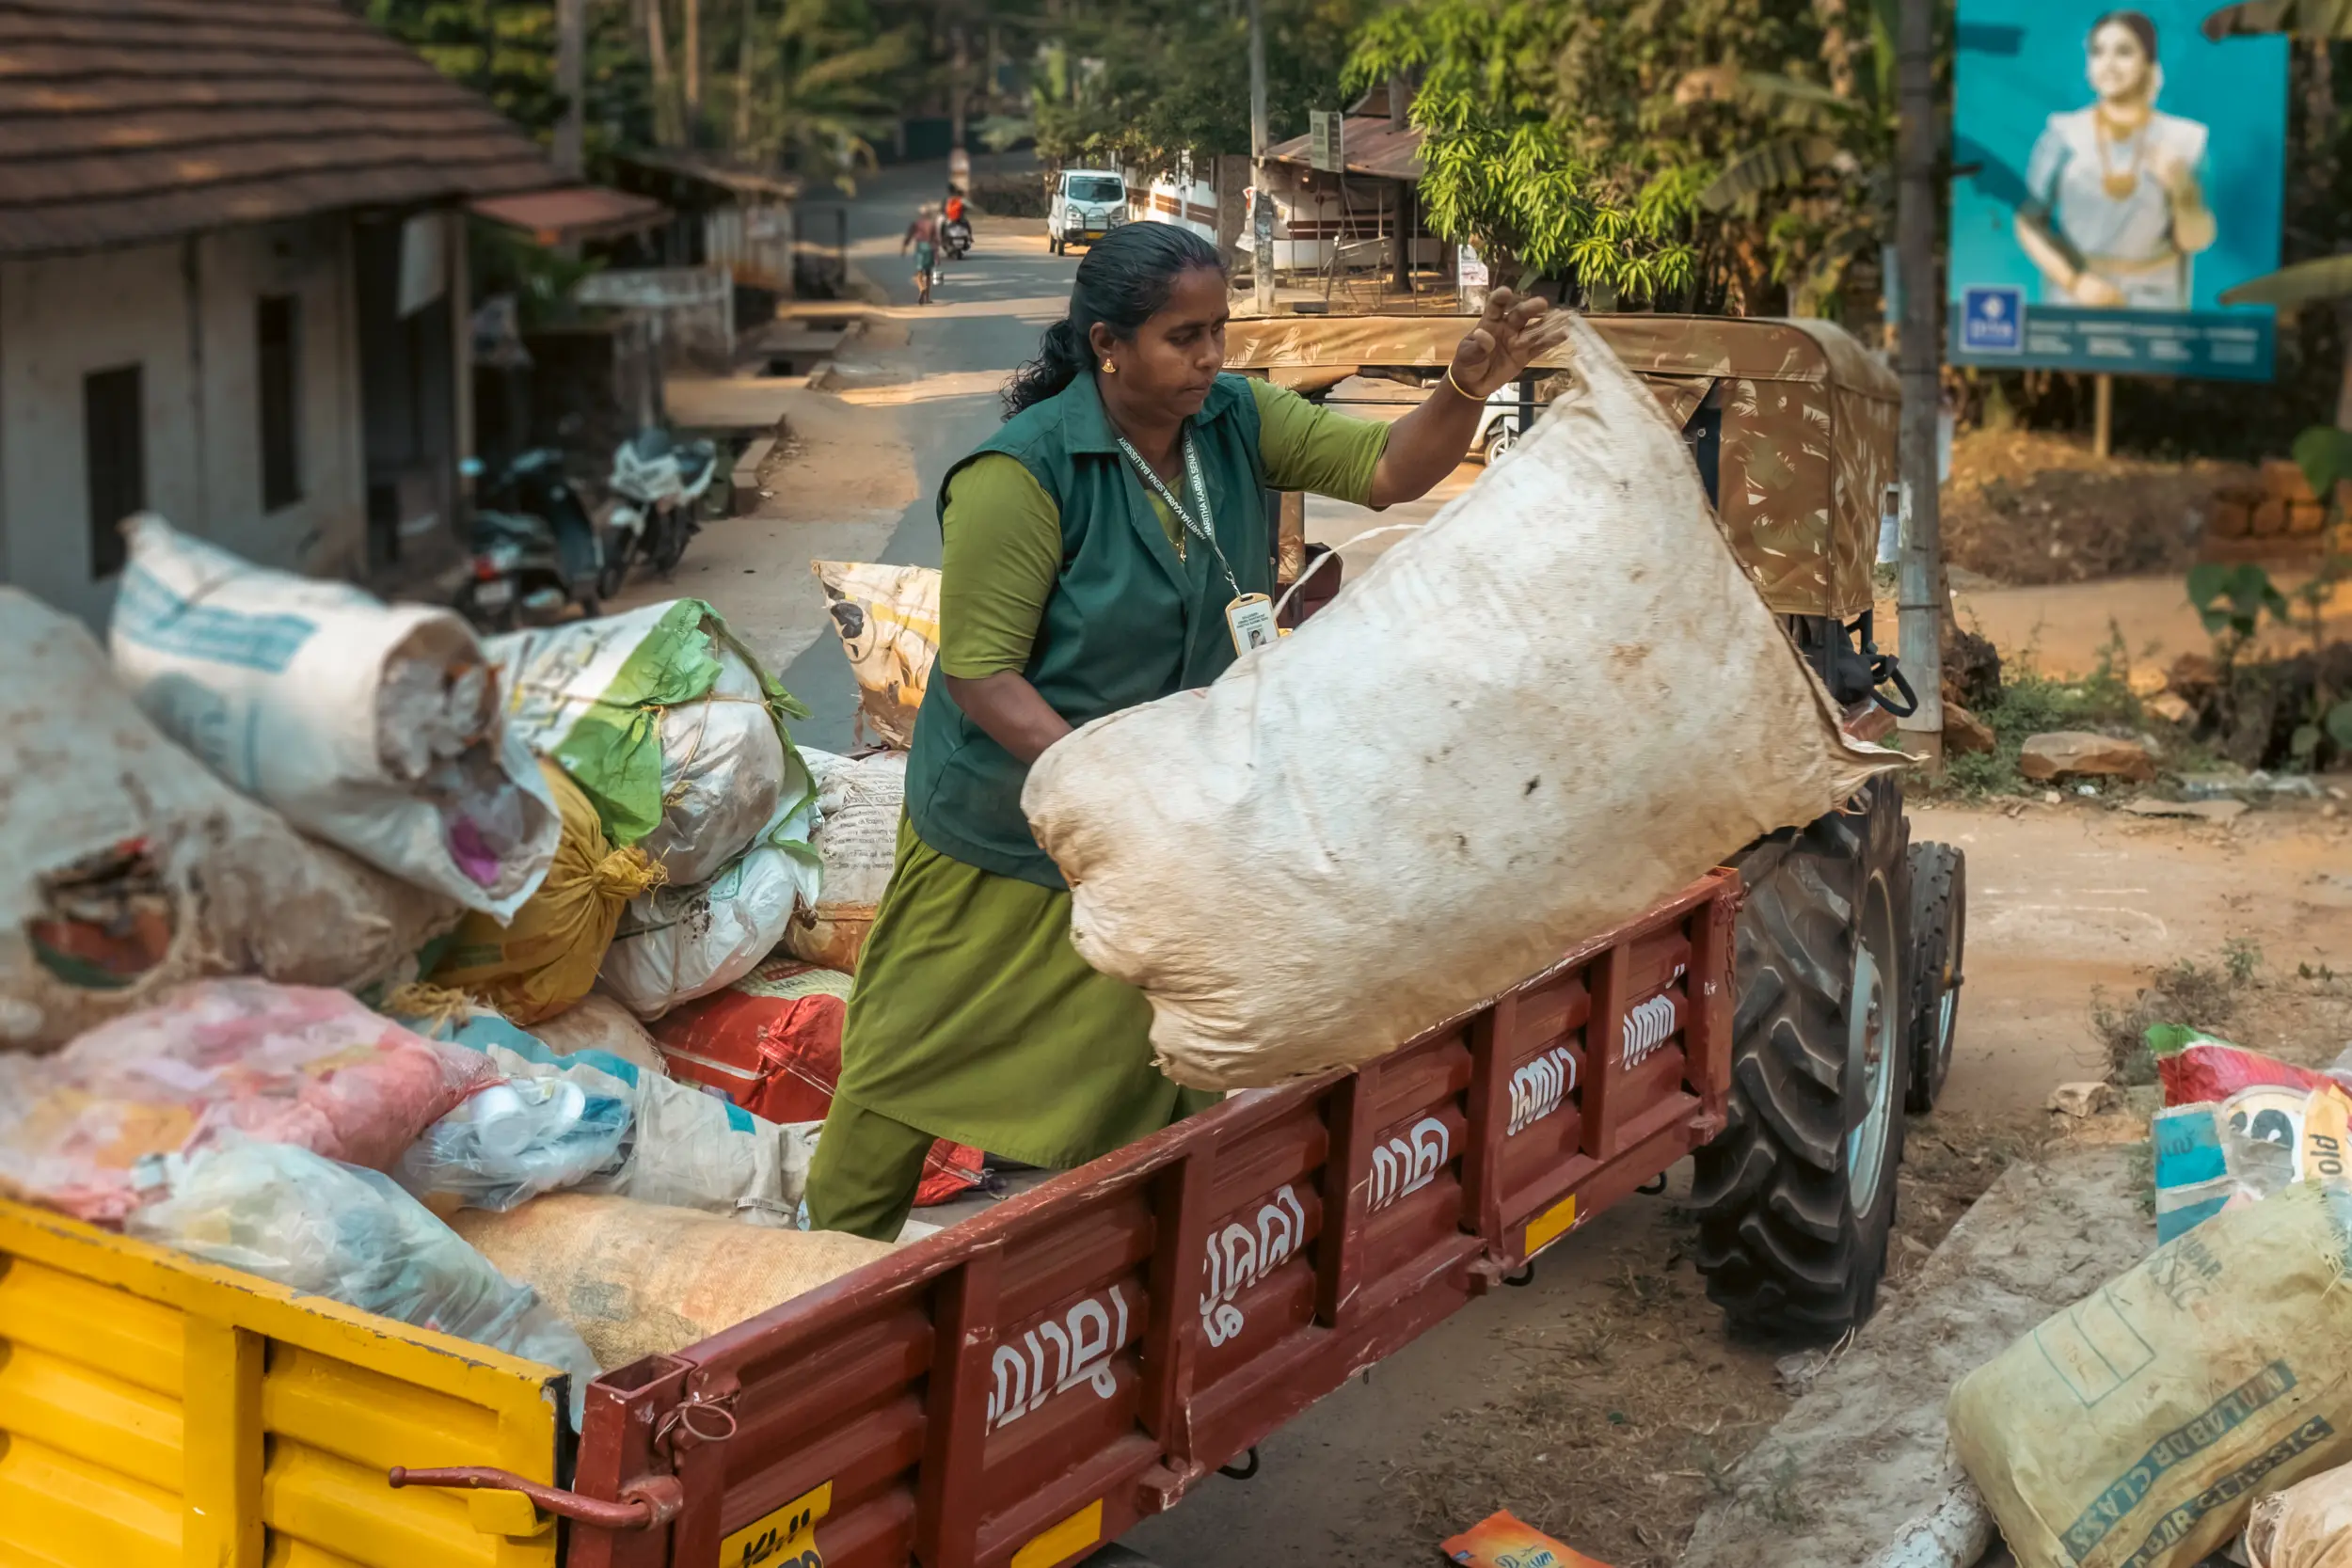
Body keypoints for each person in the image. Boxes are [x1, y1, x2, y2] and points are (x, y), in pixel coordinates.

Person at [803, 222, 1570, 1242]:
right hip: (1000, 827)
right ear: (1107, 345)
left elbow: (1390, 469)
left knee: (1162, 1059)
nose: (1211, 358)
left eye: (1218, 332)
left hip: (1165, 824)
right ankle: (817, 1264)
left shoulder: (1232, 422)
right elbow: (984, 672)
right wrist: (1112, 777)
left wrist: (1465, 385)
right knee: (908, 1057)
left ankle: (1119, 1277)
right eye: (1184, 337)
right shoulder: (1019, 475)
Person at [2014, 9, 2216, 310]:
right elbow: (2028, 222)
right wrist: (2074, 281)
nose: (2108, 65)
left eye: (2123, 52)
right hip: (2077, 299)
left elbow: (2195, 241)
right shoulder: (2063, 132)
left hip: (2156, 302)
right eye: (2097, 52)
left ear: (2149, 63)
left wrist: (2183, 192)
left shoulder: (2185, 139)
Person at [902, 203, 941, 305]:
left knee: (919, 274)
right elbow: (936, 240)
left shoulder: (916, 224)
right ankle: (927, 298)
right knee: (928, 275)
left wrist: (904, 248)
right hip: (930, 249)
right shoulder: (932, 225)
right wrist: (937, 255)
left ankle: (921, 288)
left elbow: (909, 236)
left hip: (920, 249)